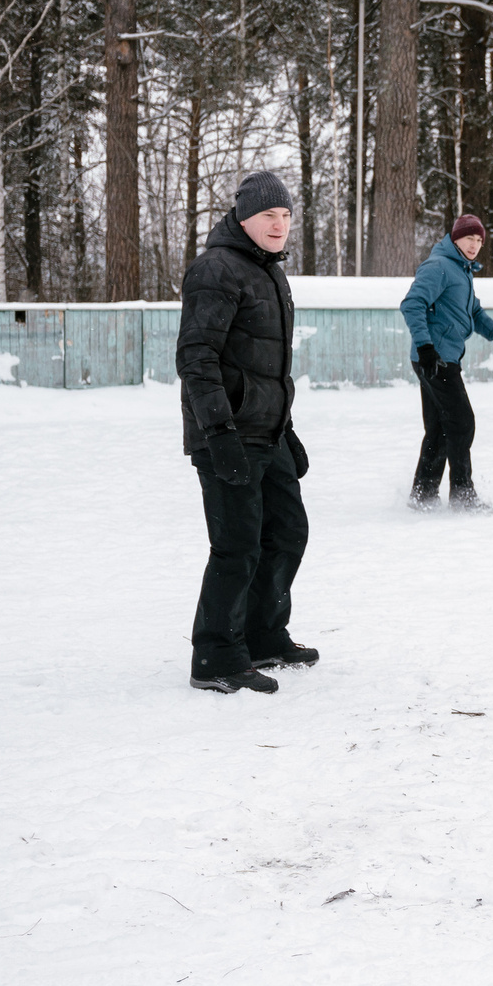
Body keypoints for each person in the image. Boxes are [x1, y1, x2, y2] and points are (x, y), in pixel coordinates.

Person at [177, 171, 316, 694]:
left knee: (286, 534)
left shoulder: (269, 272)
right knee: (237, 546)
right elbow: (197, 358)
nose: (280, 225)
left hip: (268, 431)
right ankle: (215, 656)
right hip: (227, 433)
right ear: (243, 218)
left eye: (285, 216)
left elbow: (264, 365)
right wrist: (219, 433)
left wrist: (288, 428)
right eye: (269, 216)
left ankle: (261, 634)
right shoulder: (216, 269)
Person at [401, 214, 493, 510]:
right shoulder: (439, 266)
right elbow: (412, 304)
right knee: (462, 423)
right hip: (435, 359)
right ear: (455, 238)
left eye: (479, 240)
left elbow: (473, 312)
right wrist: (426, 347)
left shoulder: (461, 270)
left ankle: (423, 496)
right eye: (469, 238)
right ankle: (463, 497)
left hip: (439, 357)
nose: (475, 245)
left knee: (440, 427)